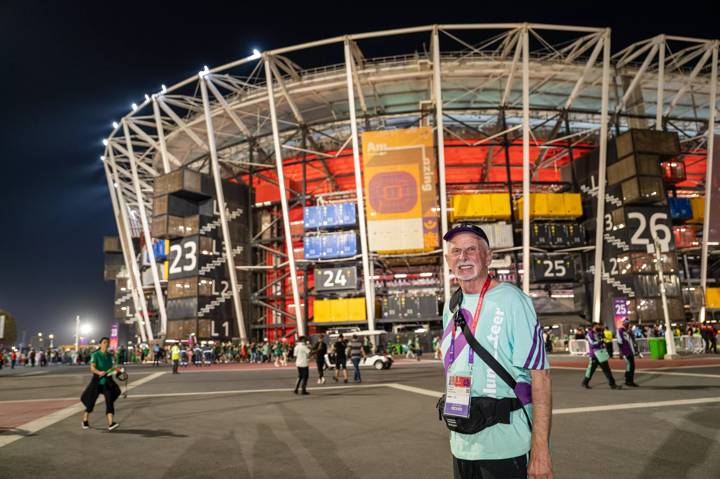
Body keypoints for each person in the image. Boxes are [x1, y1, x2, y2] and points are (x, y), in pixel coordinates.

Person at [440, 223, 553, 478]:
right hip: (462, 444)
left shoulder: (512, 300)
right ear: (448, 260)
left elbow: (541, 377)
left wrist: (540, 451)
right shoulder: (451, 306)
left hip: (507, 446)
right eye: (456, 251)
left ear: (488, 256)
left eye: (471, 249)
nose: (463, 257)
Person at [80, 337, 120, 431]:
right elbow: (92, 368)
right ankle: (85, 420)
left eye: (107, 342)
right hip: (97, 381)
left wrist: (117, 371)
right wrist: (99, 372)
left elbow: (110, 368)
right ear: (100, 344)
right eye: (104, 342)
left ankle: (111, 423)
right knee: (91, 402)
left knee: (109, 402)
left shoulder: (110, 356)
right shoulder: (95, 354)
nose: (106, 344)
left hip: (107, 381)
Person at [583, 323, 620, 390]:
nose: (599, 327)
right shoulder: (589, 334)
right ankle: (585, 382)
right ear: (593, 327)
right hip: (594, 354)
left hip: (601, 353)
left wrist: (602, 338)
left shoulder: (599, 333)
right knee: (591, 370)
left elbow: (603, 340)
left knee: (607, 369)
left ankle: (612, 384)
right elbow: (592, 344)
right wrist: (601, 341)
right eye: (598, 326)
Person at [616, 319, 638, 387]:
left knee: (631, 366)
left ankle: (628, 380)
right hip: (626, 351)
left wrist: (636, 350)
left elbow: (633, 340)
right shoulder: (620, 330)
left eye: (629, 323)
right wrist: (621, 352)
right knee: (630, 366)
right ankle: (629, 381)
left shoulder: (629, 331)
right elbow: (619, 341)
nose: (629, 325)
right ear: (625, 324)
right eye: (628, 324)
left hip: (630, 351)